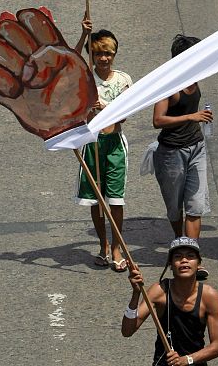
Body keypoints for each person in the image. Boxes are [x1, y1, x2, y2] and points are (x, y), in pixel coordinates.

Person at [153, 35, 212, 277]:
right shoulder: (167, 83)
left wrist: (201, 118)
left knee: (196, 207)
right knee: (175, 210)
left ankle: (191, 255)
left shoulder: (194, 77)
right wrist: (191, 117)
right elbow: (158, 120)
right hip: (171, 154)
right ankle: (181, 244)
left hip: (196, 148)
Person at [76, 29, 133, 272]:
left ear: (114, 54)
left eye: (108, 53)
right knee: (95, 200)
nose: (103, 59)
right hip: (90, 143)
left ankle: (117, 248)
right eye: (98, 53)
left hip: (114, 144)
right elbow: (68, 62)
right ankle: (103, 245)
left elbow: (128, 112)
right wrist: (82, 35)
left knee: (115, 200)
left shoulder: (123, 80)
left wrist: (106, 106)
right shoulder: (85, 77)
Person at [123, 237, 218, 366]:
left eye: (190, 256)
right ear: (170, 264)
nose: (184, 260)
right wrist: (136, 294)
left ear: (199, 263)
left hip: (195, 362)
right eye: (178, 256)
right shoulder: (159, 291)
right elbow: (127, 331)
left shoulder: (209, 296)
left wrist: (186, 360)